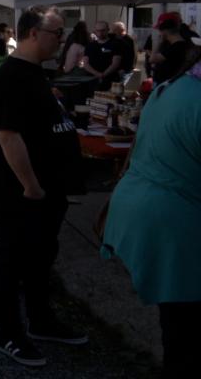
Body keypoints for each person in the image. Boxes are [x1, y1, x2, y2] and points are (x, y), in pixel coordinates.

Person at [0, 6, 86, 368]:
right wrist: (30, 185)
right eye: (57, 33)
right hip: (23, 191)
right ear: (33, 33)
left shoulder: (36, 73)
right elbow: (8, 136)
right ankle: (9, 332)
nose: (62, 39)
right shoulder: (12, 76)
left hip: (47, 189)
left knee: (41, 258)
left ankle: (41, 320)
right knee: (14, 260)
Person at [101, 43, 201, 379]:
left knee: (177, 325)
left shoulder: (169, 89)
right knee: (186, 330)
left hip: (149, 213)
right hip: (176, 223)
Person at [83, 21, 123, 91]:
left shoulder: (115, 44)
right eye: (98, 31)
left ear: (108, 30)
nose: (100, 33)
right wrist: (97, 74)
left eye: (103, 30)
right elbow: (86, 64)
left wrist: (103, 75)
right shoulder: (90, 46)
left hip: (111, 80)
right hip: (92, 80)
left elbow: (115, 63)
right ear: (95, 31)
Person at [151, 13, 189, 85]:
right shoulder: (184, 44)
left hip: (167, 85)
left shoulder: (175, 47)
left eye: (160, 30)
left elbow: (152, 59)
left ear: (164, 30)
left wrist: (158, 42)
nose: (159, 33)